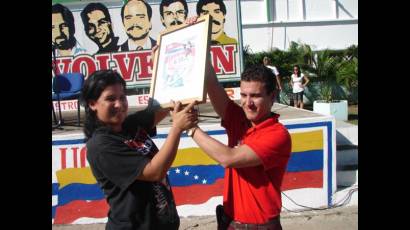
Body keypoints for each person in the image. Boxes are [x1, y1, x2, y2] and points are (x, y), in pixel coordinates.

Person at [177, 17, 291, 227]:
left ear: (272, 97)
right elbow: (210, 79)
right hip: (230, 221)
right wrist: (195, 37)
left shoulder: (277, 135)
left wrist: (191, 129)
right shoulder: (239, 117)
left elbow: (228, 158)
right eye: (244, 95)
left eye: (255, 96)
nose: (248, 103)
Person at [80, 69, 198, 229]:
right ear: (92, 104)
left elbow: (160, 108)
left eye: (122, 97)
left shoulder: (128, 125)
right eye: (110, 99)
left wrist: (163, 67)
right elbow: (154, 172)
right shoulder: (101, 146)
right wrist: (177, 128)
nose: (119, 104)